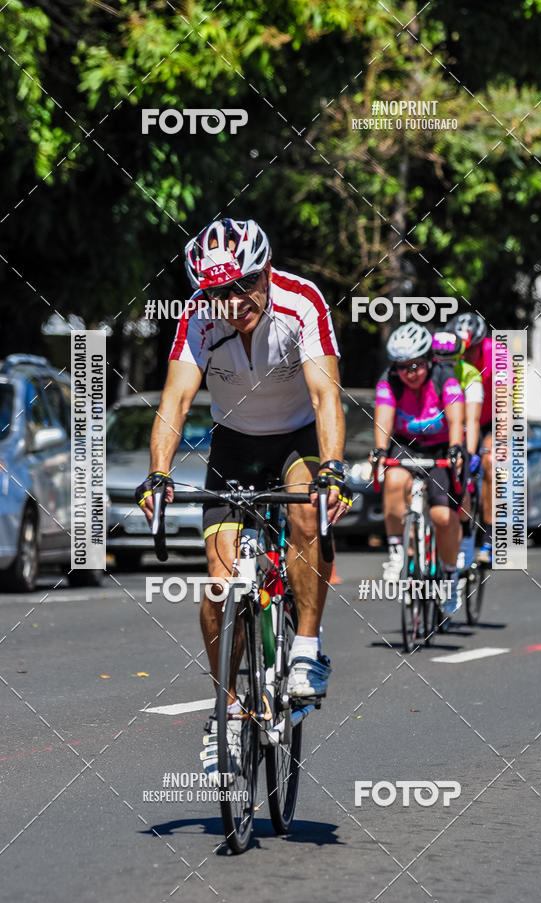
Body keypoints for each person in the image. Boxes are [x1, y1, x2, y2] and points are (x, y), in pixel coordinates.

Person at [136, 217, 350, 779]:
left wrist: (332, 469)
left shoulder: (302, 302)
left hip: (296, 439)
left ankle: (305, 647)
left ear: (266, 271)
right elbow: (176, 401)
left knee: (308, 509)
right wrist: (158, 473)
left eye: (243, 286)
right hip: (232, 445)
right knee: (220, 581)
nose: (232, 303)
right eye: (217, 292)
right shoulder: (199, 320)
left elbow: (327, 395)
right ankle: (227, 713)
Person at [372, 322, 467, 615]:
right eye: (403, 367)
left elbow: (456, 420)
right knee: (394, 479)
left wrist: (455, 448)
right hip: (406, 444)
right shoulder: (389, 381)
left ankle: (450, 576)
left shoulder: (445, 378)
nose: (410, 373)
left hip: (440, 447)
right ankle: (397, 552)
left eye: (416, 365)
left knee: (441, 515)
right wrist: (379, 450)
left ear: (429, 360)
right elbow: (384, 421)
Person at [446, 311, 501, 563]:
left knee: (492, 462)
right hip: (458, 417)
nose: (465, 355)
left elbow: (507, 403)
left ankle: (489, 539)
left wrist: (499, 440)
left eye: (472, 349)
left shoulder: (497, 354)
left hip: (490, 419)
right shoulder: (447, 353)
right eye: (461, 348)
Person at [432, 330, 484, 522]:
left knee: (462, 483)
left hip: (459, 431)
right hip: (433, 433)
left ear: (461, 356)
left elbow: (471, 419)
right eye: (438, 361)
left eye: (451, 361)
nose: (444, 366)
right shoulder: (426, 372)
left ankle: (464, 540)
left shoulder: (470, 374)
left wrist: (469, 453)